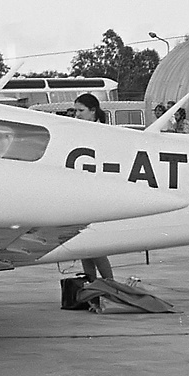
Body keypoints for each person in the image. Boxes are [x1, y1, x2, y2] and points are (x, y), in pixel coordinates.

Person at [68, 94, 114, 281]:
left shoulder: (104, 132)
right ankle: (92, 285)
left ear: (93, 111)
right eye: (75, 111)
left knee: (93, 245)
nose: (77, 115)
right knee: (84, 245)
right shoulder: (78, 130)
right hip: (81, 193)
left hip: (97, 193)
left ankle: (108, 284)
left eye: (81, 111)